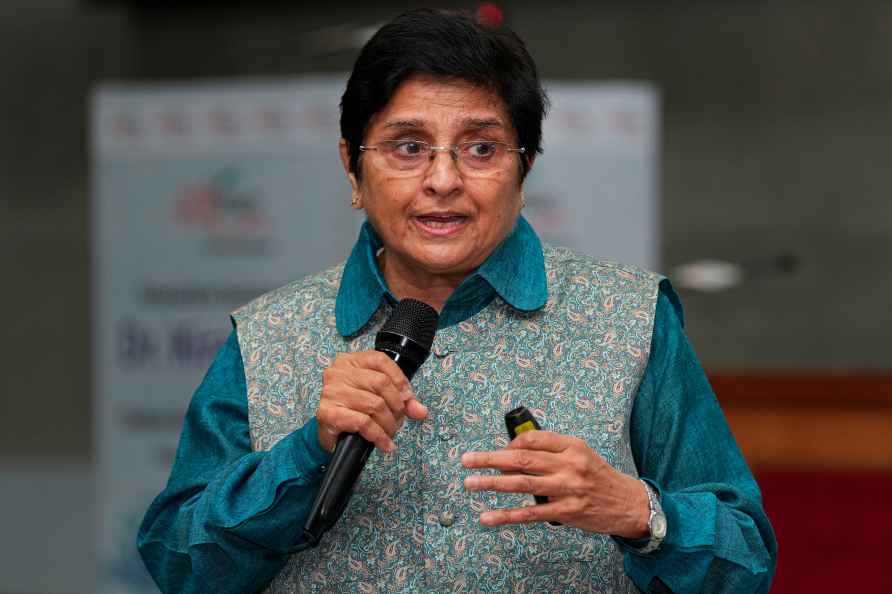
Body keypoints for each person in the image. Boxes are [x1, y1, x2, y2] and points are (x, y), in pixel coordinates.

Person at [138, 8, 777, 593]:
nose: (443, 180)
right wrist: (306, 453)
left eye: (480, 148)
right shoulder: (268, 336)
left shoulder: (631, 318)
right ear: (353, 169)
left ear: (524, 169)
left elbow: (745, 561)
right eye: (409, 147)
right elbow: (180, 565)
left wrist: (637, 512)